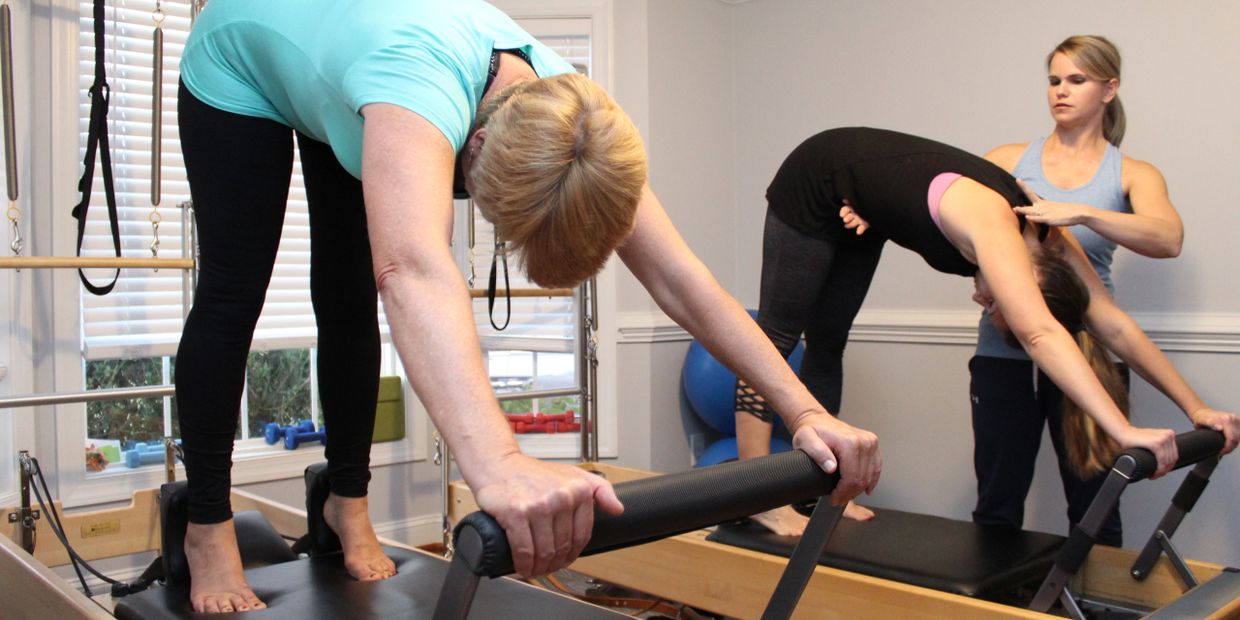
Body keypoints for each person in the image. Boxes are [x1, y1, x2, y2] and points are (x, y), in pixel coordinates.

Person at [175, 0, 880, 614]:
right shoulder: (412, 93)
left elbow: (683, 280)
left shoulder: (578, 121)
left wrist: (804, 410)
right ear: (472, 146)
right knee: (236, 292)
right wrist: (499, 462)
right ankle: (206, 525)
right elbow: (415, 270)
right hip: (246, 47)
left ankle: (345, 503)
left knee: (346, 294)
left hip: (344, 52)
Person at [732, 126, 1238, 537]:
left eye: (991, 302)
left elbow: (1111, 323)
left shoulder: (1049, 245)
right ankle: (761, 503)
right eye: (997, 298)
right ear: (1031, 279)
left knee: (827, 346)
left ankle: (821, 497)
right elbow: (1040, 332)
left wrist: (1195, 407)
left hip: (860, 201)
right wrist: (1122, 428)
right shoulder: (1008, 226)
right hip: (817, 174)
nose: (980, 297)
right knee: (776, 336)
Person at [970, 35, 1185, 546]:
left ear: (1109, 89)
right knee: (997, 502)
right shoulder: (1006, 158)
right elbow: (950, 217)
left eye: (1076, 80)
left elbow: (1168, 237)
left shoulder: (1131, 173)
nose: (1060, 92)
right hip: (1006, 352)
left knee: (1096, 506)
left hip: (1092, 354)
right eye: (1054, 80)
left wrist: (1082, 212)